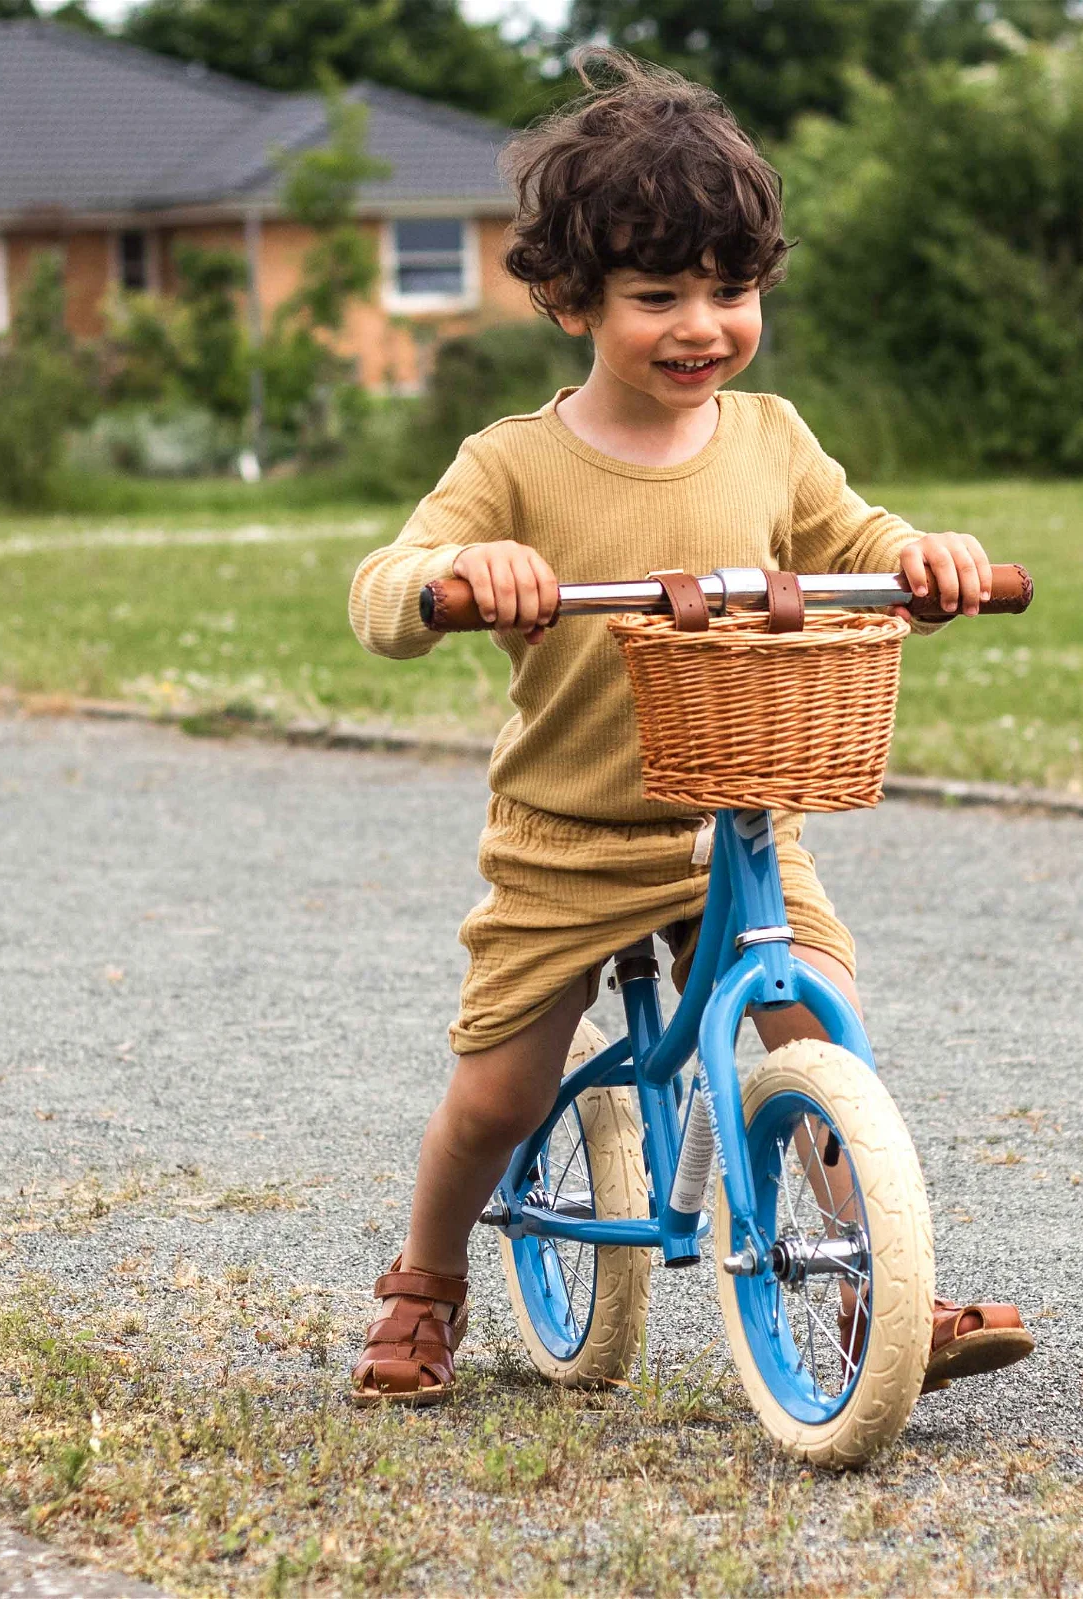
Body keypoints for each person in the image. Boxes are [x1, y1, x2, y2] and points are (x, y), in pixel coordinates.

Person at [345, 50, 1035, 1406]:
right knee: (497, 1092)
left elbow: (864, 540)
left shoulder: (772, 439)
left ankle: (874, 1288)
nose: (700, 323)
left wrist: (930, 562)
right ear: (570, 300)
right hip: (573, 835)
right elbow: (383, 589)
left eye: (732, 290)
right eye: (658, 294)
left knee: (812, 1028)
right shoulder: (513, 464)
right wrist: (455, 580)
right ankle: (423, 1279)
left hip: (744, 817)